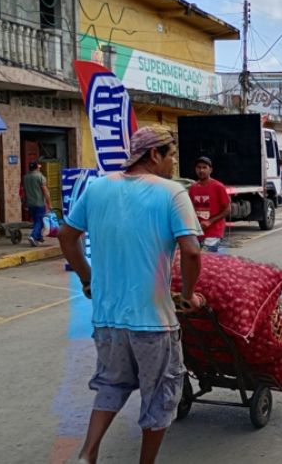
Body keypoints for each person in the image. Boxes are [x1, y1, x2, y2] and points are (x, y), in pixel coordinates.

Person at [58, 125, 203, 464]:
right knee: (160, 396)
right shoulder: (171, 192)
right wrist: (189, 295)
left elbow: (67, 236)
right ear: (155, 154)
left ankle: (86, 455)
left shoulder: (97, 188)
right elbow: (193, 252)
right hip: (153, 321)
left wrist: (87, 277)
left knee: (110, 385)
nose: (173, 165)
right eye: (171, 157)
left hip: (108, 321)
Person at [189, 156, 231, 253]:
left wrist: (210, 221)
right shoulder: (193, 188)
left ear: (210, 170)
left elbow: (227, 210)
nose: (201, 170)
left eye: (204, 167)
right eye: (199, 167)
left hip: (214, 232)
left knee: (209, 259)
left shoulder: (218, 187)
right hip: (198, 232)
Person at [23, 161, 51, 247]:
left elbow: (24, 191)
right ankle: (33, 236)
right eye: (38, 167)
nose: (39, 168)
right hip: (39, 203)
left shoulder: (25, 177)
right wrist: (49, 203)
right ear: (36, 168)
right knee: (40, 221)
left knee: (36, 221)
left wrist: (24, 203)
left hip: (30, 203)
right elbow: (45, 191)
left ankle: (38, 237)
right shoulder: (40, 177)